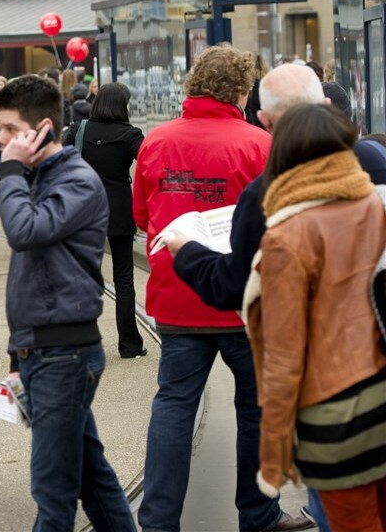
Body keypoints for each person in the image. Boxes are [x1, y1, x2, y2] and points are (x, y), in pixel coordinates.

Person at [162, 63, 386, 532]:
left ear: (264, 119)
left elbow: (239, 287)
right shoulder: (371, 171)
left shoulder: (269, 197)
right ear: (327, 106)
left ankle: (163, 519)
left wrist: (188, 253)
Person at [134, 46, 313, 532]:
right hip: (244, 300)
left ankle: (158, 521)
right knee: (255, 410)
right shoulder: (259, 144)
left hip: (178, 293)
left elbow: (143, 218)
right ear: (240, 91)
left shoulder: (156, 141)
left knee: (173, 405)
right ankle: (258, 514)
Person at [0, 75, 134, 532]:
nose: (1, 141)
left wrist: (10, 173)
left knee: (52, 493)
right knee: (94, 479)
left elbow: (24, 232)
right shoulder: (38, 177)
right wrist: (17, 355)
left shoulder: (76, 180)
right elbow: (29, 274)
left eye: (11, 130)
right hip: (42, 348)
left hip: (65, 354)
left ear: (44, 129)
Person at [243, 103, 386, 532]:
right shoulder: (376, 207)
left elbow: (284, 356)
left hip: (337, 418)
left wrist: (274, 454)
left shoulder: (287, 236)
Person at [75, 83, 147, 358]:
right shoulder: (130, 134)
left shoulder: (79, 130)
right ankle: (129, 344)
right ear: (121, 105)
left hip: (85, 210)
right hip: (119, 210)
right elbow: (149, 163)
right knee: (124, 279)